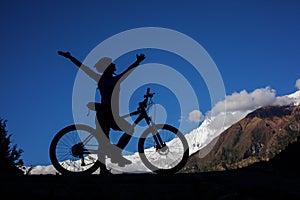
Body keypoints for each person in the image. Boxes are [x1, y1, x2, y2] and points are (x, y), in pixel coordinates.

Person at [58, 51, 145, 173]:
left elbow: (128, 71)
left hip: (112, 115)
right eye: (112, 64)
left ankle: (115, 153)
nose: (115, 65)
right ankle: (104, 168)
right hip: (104, 114)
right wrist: (70, 57)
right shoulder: (106, 79)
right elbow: (84, 68)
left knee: (127, 130)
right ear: (108, 67)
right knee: (104, 141)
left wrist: (137, 62)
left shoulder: (114, 79)